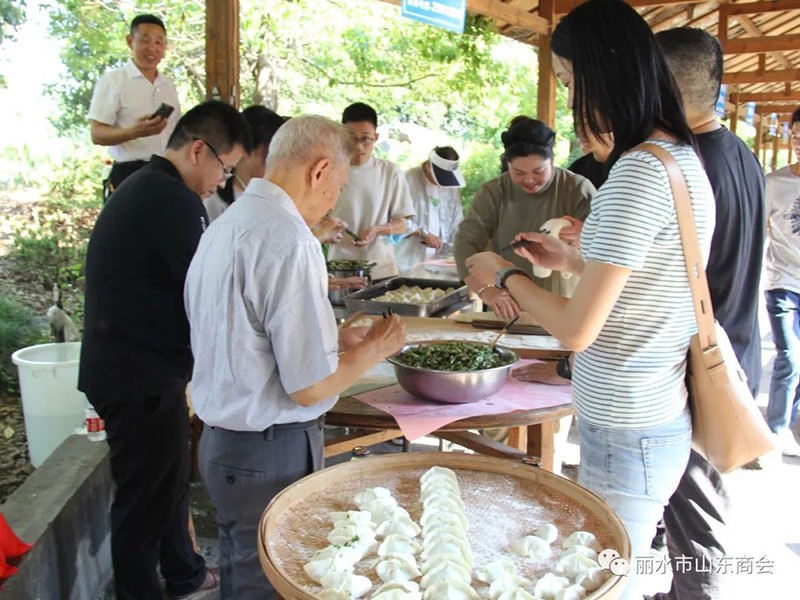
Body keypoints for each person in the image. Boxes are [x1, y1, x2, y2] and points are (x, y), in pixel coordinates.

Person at [464, 2, 715, 598]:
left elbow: (577, 331)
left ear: (605, 76)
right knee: (610, 573)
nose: (574, 101)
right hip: (647, 412)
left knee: (608, 582)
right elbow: (652, 279)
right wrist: (571, 262)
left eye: (573, 82)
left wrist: (503, 275)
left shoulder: (636, 172)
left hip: (630, 423)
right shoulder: (677, 159)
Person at [184, 115, 406, 599]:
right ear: (320, 170)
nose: (334, 200)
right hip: (268, 448)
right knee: (267, 581)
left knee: (242, 567)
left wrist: (335, 339)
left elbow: (246, 335)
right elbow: (308, 386)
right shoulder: (289, 238)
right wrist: (375, 349)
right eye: (338, 187)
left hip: (224, 444)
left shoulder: (226, 225)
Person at [78, 101, 248, 600]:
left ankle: (185, 573)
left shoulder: (153, 189)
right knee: (141, 505)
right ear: (199, 149)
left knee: (168, 484)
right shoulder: (170, 200)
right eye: (226, 166)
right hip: (137, 377)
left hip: (144, 370)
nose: (223, 179)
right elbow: (205, 293)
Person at [646, 27, 768, 600]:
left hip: (700, 368)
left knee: (695, 526)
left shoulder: (686, 165)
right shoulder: (737, 153)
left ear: (662, 83)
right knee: (677, 514)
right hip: (732, 349)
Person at [454, 116, 594, 319]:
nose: (529, 180)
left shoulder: (578, 188)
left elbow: (607, 248)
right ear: (507, 164)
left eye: (539, 171)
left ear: (552, 161)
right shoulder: (494, 192)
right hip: (511, 307)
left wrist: (583, 234)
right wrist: (487, 291)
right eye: (518, 172)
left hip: (568, 306)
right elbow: (465, 244)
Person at [88, 14, 181, 201]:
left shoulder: (168, 85)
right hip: (129, 173)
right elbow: (97, 134)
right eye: (145, 40)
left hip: (167, 172)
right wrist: (135, 132)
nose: (152, 48)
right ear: (130, 41)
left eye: (158, 42)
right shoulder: (114, 81)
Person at [327, 102, 415, 280]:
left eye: (365, 139)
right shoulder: (328, 171)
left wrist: (378, 229)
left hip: (381, 268)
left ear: (375, 137)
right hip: (340, 270)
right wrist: (326, 232)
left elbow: (403, 223)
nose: (359, 147)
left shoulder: (390, 172)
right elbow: (315, 218)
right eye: (352, 138)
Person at [763, 106, 800, 455]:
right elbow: (758, 234)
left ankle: (791, 416)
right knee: (790, 356)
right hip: (782, 284)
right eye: (795, 136)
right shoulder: (774, 184)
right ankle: (775, 429)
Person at [203, 105, 286, 222]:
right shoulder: (214, 197)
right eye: (271, 153)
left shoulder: (273, 196)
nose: (276, 162)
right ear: (248, 150)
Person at [396, 146, 466, 275]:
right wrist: (423, 233)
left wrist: (458, 249)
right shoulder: (407, 179)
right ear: (428, 166)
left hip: (441, 261)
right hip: (409, 258)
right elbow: (397, 218)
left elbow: (457, 221)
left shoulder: (451, 185)